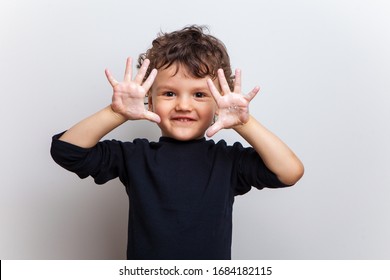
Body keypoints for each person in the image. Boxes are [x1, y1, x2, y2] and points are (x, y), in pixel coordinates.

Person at [50, 25, 304, 260]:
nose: (184, 105)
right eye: (169, 93)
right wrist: (116, 113)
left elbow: (290, 172)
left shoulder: (228, 160)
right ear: (149, 98)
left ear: (219, 102)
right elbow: (66, 151)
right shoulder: (135, 155)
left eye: (200, 95)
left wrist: (243, 123)